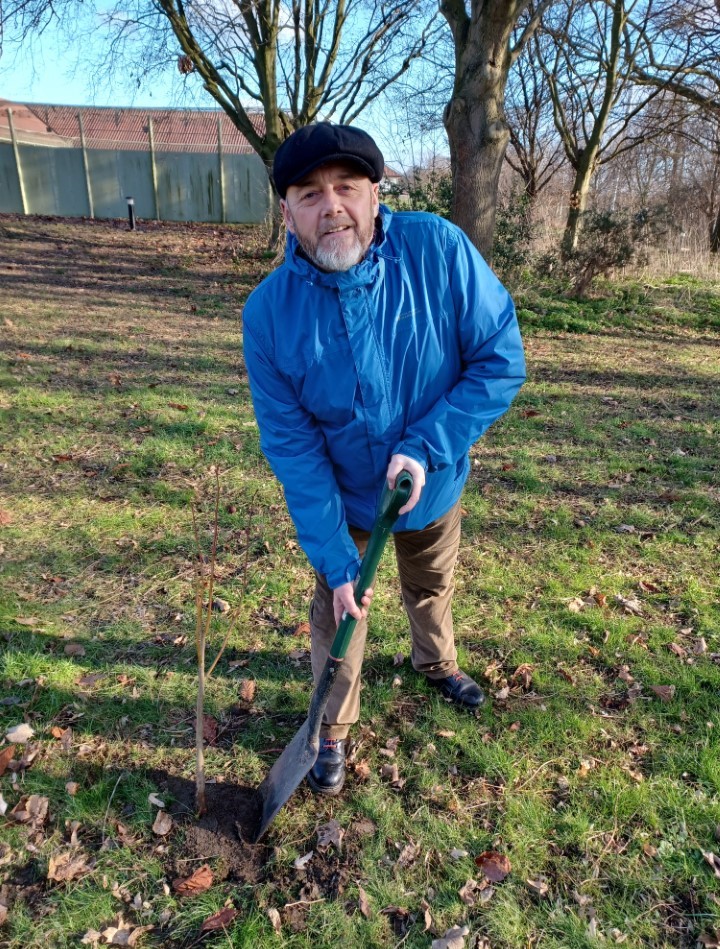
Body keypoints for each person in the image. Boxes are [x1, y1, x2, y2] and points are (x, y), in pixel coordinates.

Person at [242, 123, 526, 796]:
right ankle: (331, 730)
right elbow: (293, 446)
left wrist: (427, 446)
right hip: (346, 501)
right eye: (309, 193)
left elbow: (500, 359)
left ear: (375, 193)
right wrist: (338, 561)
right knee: (340, 613)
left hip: (432, 487)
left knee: (430, 582)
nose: (330, 206)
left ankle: (437, 661)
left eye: (345, 186)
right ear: (286, 211)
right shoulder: (268, 315)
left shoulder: (439, 251)